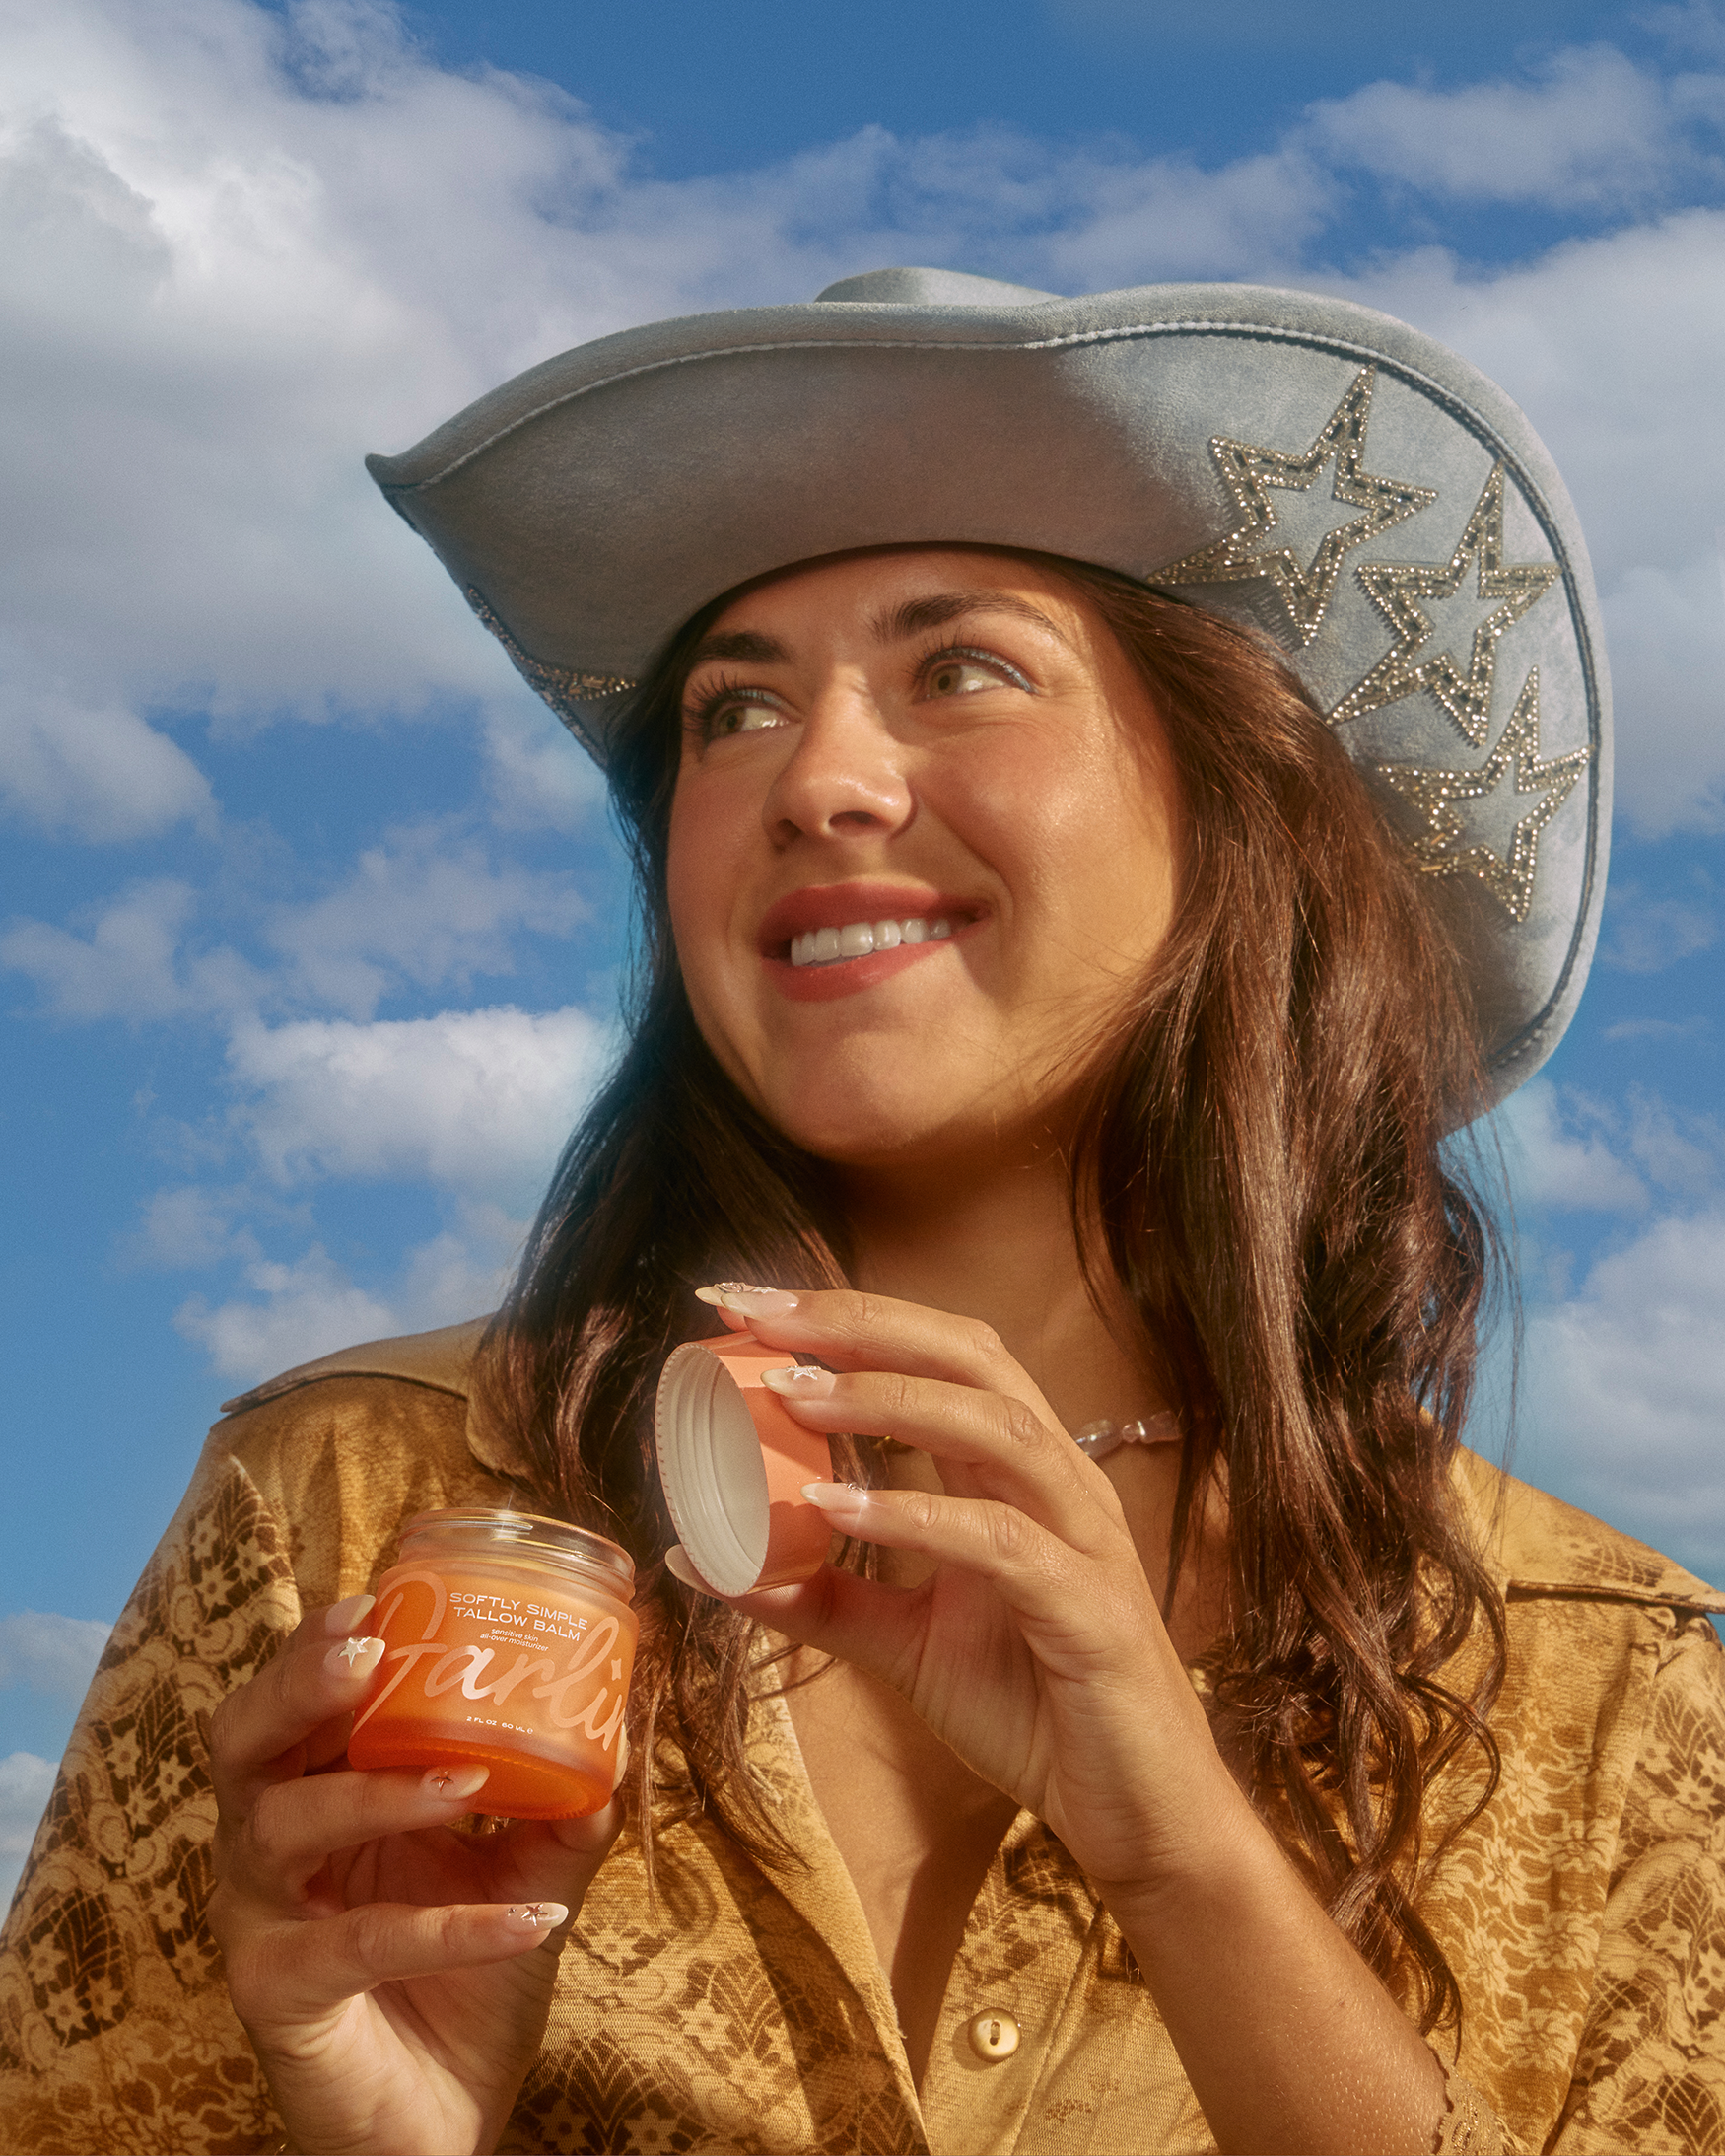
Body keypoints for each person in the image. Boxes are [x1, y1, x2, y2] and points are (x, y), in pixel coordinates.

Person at [2, 269, 1721, 2156]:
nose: (810, 779)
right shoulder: (353, 1509)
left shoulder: (1618, 1685)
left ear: (1258, 807)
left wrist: (1190, 1865)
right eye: (731, 709)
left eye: (960, 666)